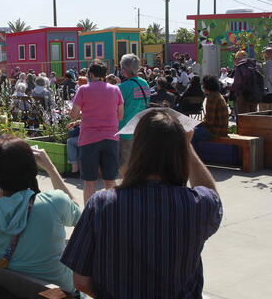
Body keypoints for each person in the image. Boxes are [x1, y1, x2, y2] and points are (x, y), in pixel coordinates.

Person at [61, 109, 223, 299]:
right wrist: (187, 145)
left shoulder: (101, 204)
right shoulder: (199, 205)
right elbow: (211, 195)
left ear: (137, 149)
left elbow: (81, 281)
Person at [0, 135, 80, 292]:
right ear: (32, 170)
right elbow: (78, 216)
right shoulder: (55, 201)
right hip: (58, 292)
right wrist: (51, 168)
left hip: (8, 288)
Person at [70, 61, 124, 203]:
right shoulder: (115, 90)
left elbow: (74, 114)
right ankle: (112, 211)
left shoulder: (83, 90)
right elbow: (120, 116)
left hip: (89, 138)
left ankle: (90, 213)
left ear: (91, 74)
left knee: (90, 181)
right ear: (105, 75)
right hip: (111, 138)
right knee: (110, 181)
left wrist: (84, 112)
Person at [118, 54, 150, 174]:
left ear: (125, 69)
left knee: (125, 165)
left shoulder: (123, 87)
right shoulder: (144, 83)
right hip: (141, 128)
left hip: (125, 129)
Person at [192, 75, 229, 144]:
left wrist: (194, 123)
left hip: (215, 132)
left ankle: (191, 154)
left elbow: (209, 122)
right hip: (222, 130)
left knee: (188, 133)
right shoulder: (218, 95)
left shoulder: (211, 98)